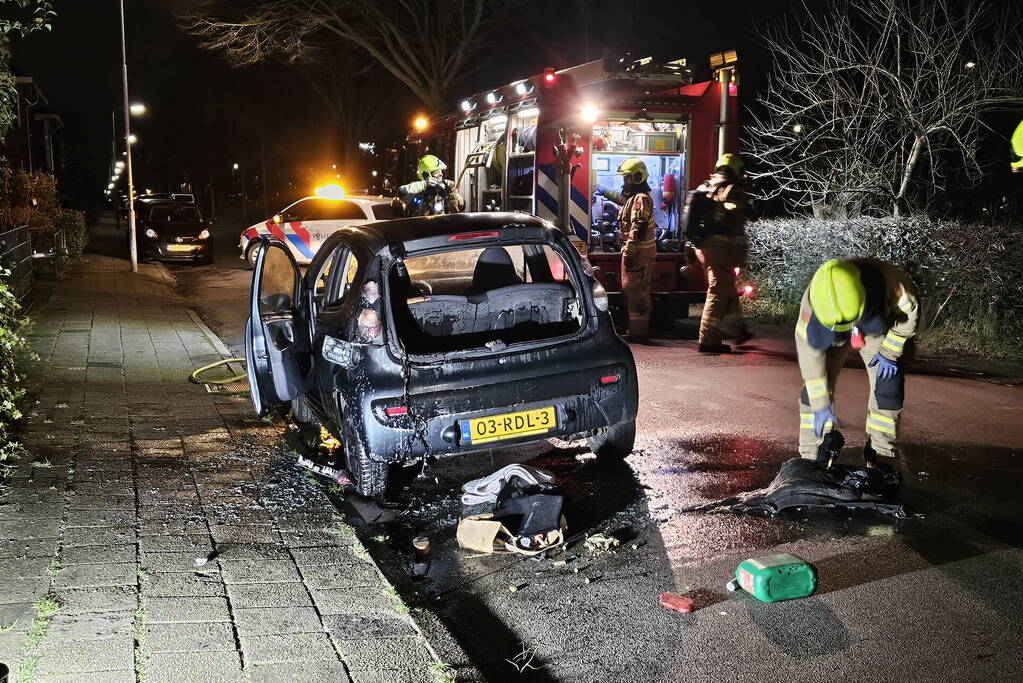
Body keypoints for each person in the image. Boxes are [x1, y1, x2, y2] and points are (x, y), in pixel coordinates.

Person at [796, 258, 919, 466]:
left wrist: (890, 352)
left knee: (889, 385)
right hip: (834, 329)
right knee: (814, 389)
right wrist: (821, 405)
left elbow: (909, 316)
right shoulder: (813, 305)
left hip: (875, 322)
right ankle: (813, 452)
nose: (856, 343)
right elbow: (811, 360)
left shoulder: (891, 284)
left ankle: (880, 451)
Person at [693, 153, 750, 353]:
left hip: (705, 248)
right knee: (718, 293)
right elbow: (737, 221)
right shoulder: (732, 189)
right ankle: (707, 340)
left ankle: (739, 329)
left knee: (726, 287)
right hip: (721, 248)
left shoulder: (707, 186)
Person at [595, 158, 656, 341]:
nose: (625, 181)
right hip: (637, 252)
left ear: (638, 177)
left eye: (628, 178)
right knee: (632, 291)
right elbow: (622, 200)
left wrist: (629, 251)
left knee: (635, 292)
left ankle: (638, 332)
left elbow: (638, 227)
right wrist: (602, 189)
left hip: (638, 253)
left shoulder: (641, 199)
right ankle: (636, 329)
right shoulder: (634, 198)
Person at [396, 155, 464, 216]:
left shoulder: (447, 186)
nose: (441, 174)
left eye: (441, 171)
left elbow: (460, 205)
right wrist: (424, 184)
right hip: (419, 227)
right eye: (436, 172)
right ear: (426, 175)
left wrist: (452, 194)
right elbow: (401, 192)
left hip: (442, 226)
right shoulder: (418, 188)